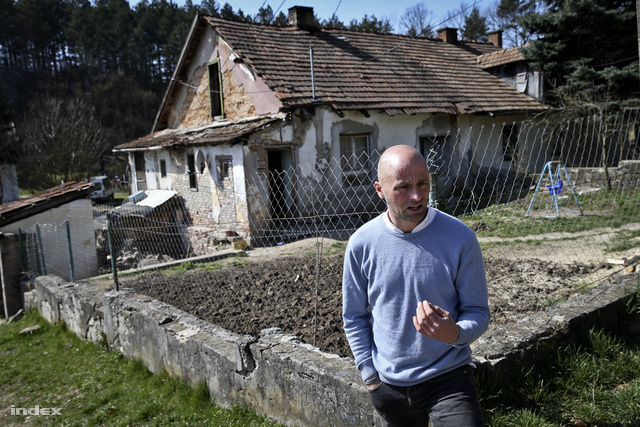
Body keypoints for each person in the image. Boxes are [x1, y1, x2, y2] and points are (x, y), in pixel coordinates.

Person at [342, 144, 490, 426]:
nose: (417, 195)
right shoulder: (361, 244)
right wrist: (370, 377)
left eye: (423, 183)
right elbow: (354, 316)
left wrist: (455, 333)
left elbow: (478, 312)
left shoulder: (461, 238)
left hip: (449, 379)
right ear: (379, 190)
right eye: (403, 187)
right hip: (388, 385)